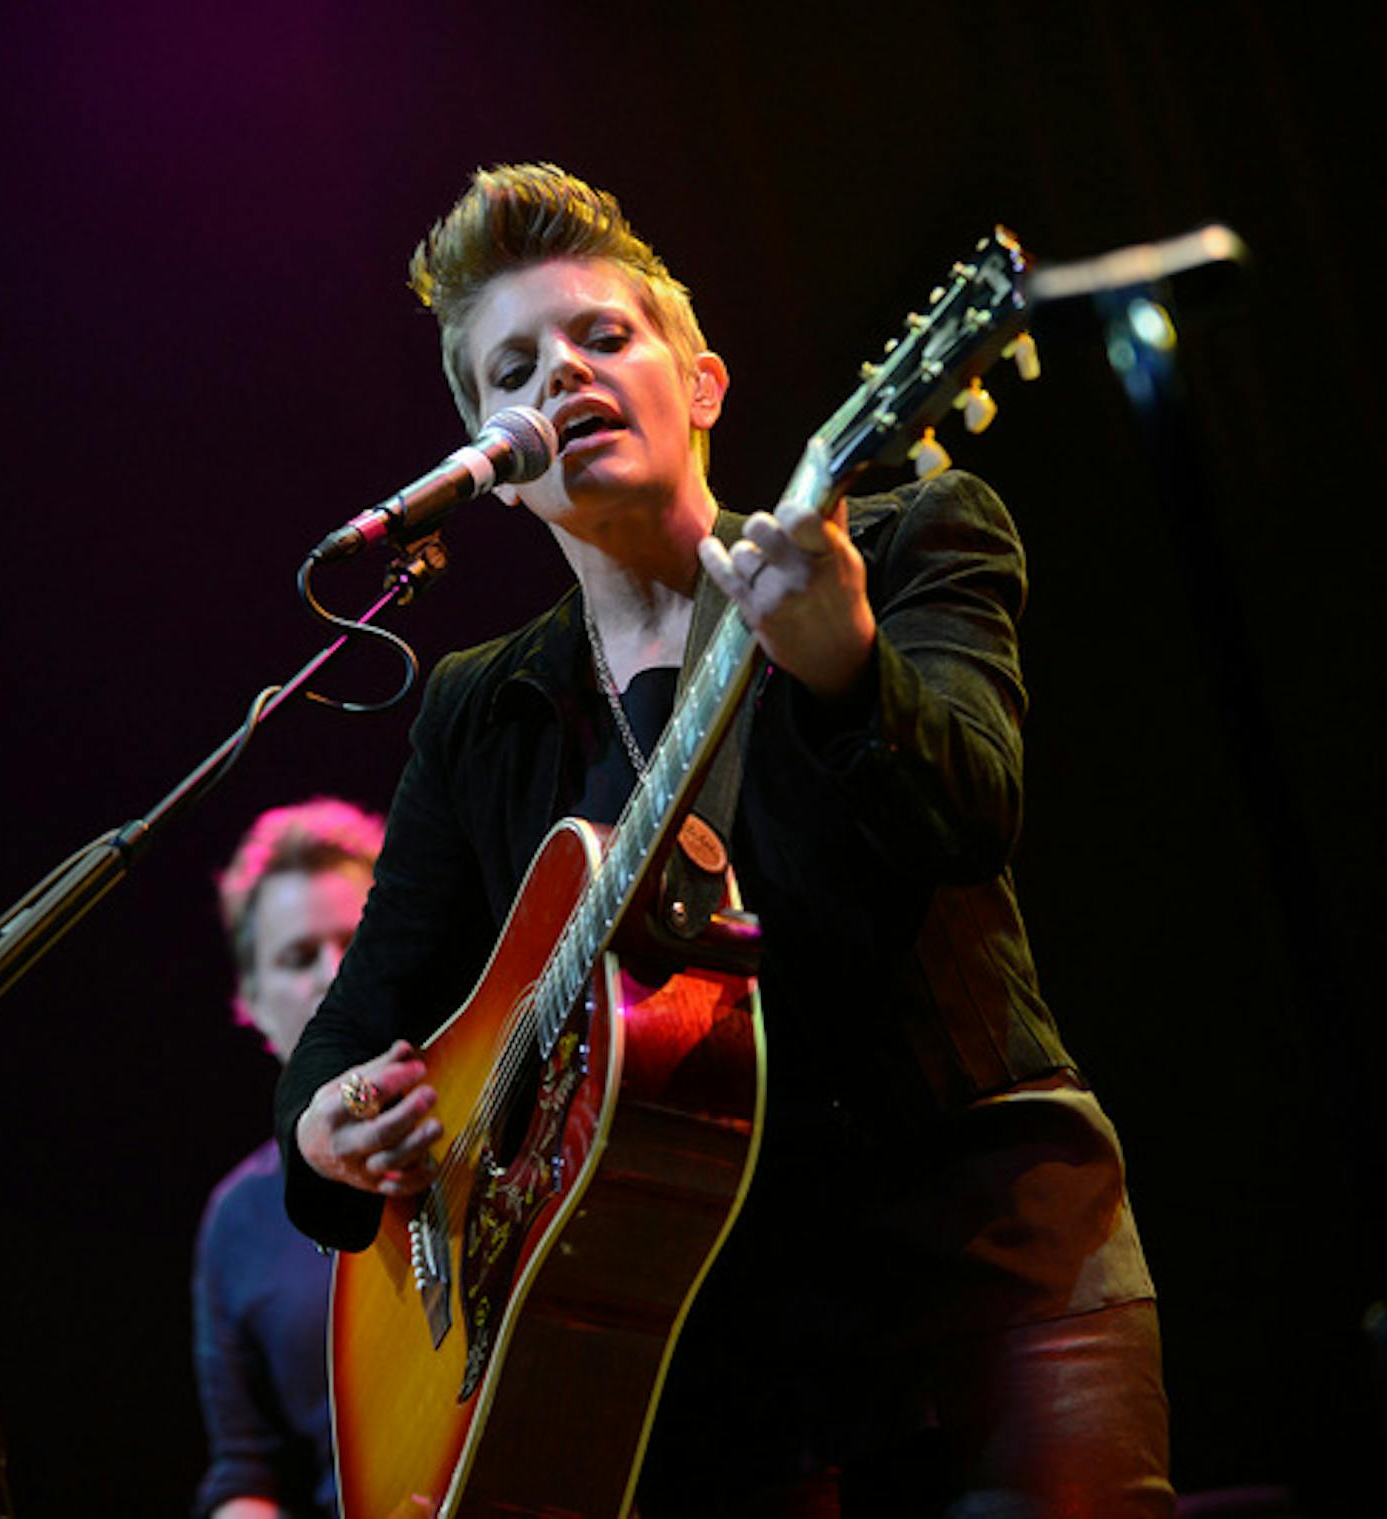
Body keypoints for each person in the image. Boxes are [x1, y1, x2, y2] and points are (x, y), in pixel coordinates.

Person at [273, 164, 1174, 1515]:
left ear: (700, 383)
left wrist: (848, 668)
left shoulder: (911, 535)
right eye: (514, 367)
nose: (562, 374)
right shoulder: (482, 710)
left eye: (602, 337)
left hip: (980, 1253)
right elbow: (352, 1025)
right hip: (695, 1336)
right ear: (492, 466)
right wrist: (335, 1129)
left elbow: (971, 816)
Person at [194, 799, 385, 1519]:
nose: (331, 975)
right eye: (298, 956)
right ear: (250, 999)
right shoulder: (238, 1216)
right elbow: (247, 1471)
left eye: (356, 941)